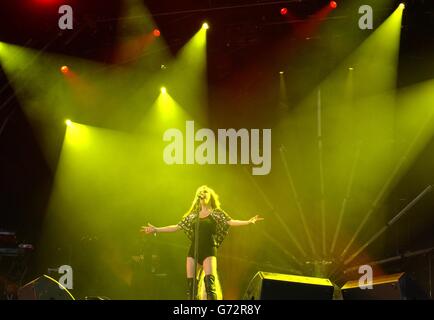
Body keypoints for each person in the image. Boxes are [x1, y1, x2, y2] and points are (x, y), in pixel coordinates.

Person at [140, 185, 264, 300]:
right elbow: (176, 227)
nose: (202, 193)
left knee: (210, 287)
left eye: (205, 191)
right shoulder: (193, 216)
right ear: (197, 197)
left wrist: (248, 222)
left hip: (209, 251)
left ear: (210, 196)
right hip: (193, 251)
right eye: (200, 192)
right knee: (191, 289)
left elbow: (231, 222)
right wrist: (156, 229)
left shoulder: (217, 213)